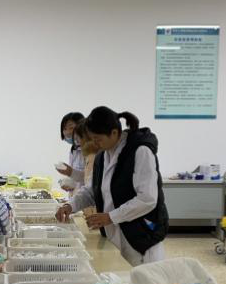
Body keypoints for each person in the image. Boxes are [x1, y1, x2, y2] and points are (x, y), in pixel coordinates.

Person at [56, 106, 168, 266]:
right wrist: (70, 205)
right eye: (92, 138)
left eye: (97, 138)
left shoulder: (140, 151)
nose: (94, 143)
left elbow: (147, 199)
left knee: (143, 277)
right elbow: (92, 190)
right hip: (115, 234)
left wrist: (110, 217)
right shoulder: (103, 155)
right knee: (121, 275)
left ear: (114, 133)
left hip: (141, 235)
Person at [56, 111, 85, 193]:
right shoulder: (74, 149)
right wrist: (69, 184)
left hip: (87, 198)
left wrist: (70, 172)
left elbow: (90, 178)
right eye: (64, 129)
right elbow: (76, 178)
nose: (67, 132)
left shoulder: (91, 151)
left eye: (71, 128)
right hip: (77, 196)